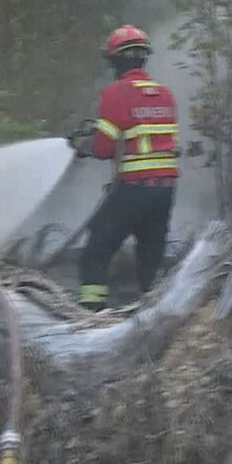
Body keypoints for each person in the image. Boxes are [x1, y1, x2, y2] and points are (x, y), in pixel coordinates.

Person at [69, 24, 178, 311]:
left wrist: (82, 146)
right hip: (165, 191)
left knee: (96, 251)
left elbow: (104, 148)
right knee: (149, 259)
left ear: (116, 59)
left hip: (134, 188)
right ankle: (152, 315)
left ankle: (90, 316)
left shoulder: (115, 93)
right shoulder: (164, 94)